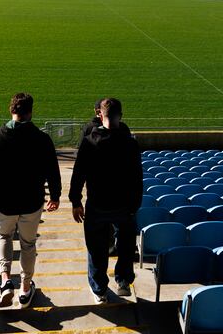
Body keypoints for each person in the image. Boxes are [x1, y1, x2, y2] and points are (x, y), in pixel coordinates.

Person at [0, 92, 62, 308]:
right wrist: (55, 196)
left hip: (5, 202)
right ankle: (25, 287)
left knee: (3, 236)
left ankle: (6, 281)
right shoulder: (42, 140)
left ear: (11, 110)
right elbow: (53, 170)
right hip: (32, 202)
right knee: (28, 244)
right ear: (30, 112)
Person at [69, 97, 142, 303]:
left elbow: (78, 174)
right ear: (121, 115)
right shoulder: (130, 143)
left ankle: (99, 288)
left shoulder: (90, 142)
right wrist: (134, 205)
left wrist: (76, 201)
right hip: (124, 205)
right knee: (126, 245)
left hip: (98, 205)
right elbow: (137, 178)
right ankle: (123, 281)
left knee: (96, 248)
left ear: (100, 115)